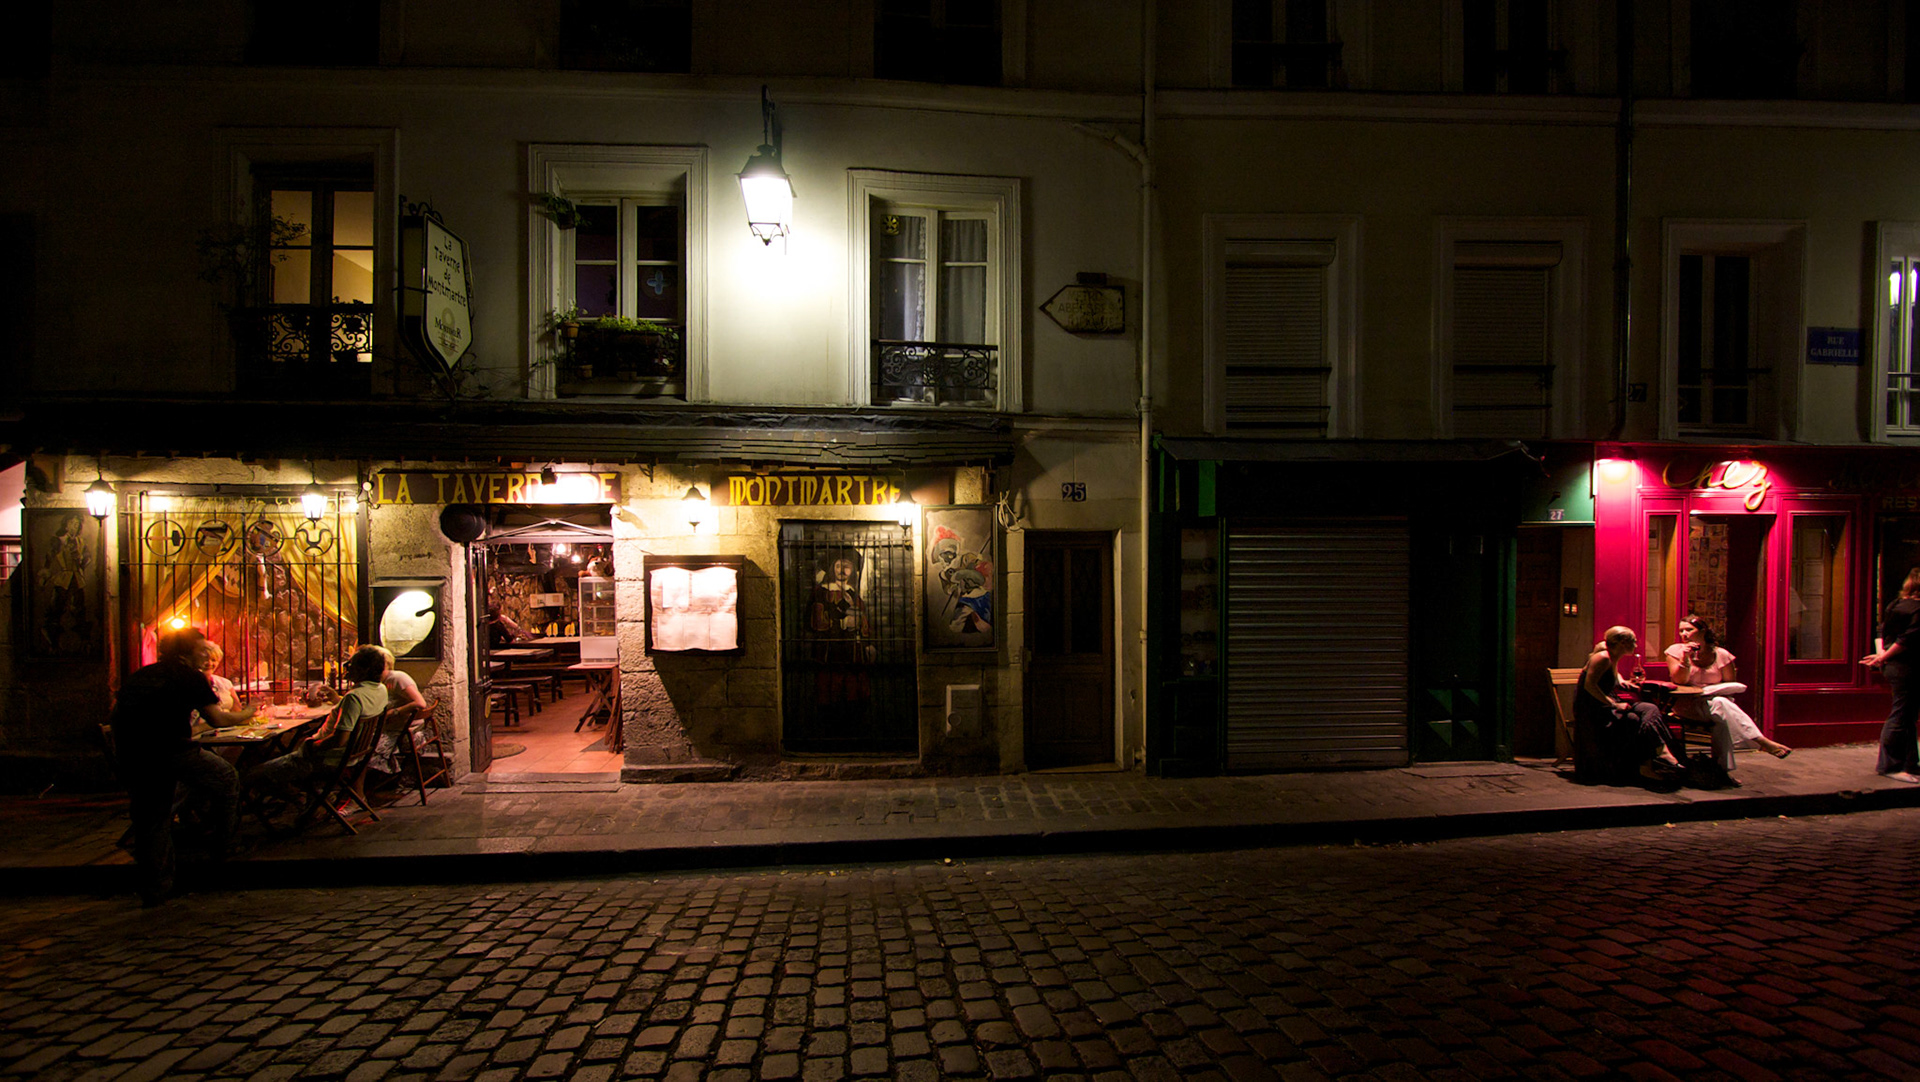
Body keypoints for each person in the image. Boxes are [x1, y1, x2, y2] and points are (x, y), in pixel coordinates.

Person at [109, 626, 256, 906]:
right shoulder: (189, 677)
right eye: (200, 649)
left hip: (135, 754)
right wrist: (248, 712)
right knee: (226, 778)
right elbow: (219, 720)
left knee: (151, 817)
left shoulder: (143, 675)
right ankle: (225, 847)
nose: (205, 655)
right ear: (187, 652)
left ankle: (156, 886)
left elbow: (117, 715)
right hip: (173, 750)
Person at [246, 644, 390, 797]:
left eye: (350, 664)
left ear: (364, 669)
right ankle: (309, 799)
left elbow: (340, 739)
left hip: (327, 760)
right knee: (276, 765)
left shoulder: (354, 698)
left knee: (253, 774)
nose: (346, 667)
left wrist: (312, 746)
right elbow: (359, 711)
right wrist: (337, 700)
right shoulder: (380, 690)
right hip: (354, 756)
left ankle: (300, 799)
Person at [1664, 614, 1790, 782]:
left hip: (1713, 702)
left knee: (1720, 719)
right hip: (1687, 703)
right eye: (1681, 631)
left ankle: (1721, 771)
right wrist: (1685, 659)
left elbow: (1730, 683)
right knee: (1721, 708)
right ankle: (1759, 740)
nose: (1684, 634)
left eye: (1689, 630)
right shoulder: (1675, 651)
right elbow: (1679, 680)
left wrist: (1711, 691)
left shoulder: (1721, 654)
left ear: (1702, 631)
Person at [1574, 626, 1686, 785]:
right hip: (1594, 709)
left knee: (1650, 708)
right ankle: (1648, 763)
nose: (1636, 645)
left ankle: (1661, 752)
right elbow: (1589, 686)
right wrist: (1614, 704)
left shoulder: (1613, 656)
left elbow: (1614, 674)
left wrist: (1623, 683)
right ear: (1621, 643)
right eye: (1632, 641)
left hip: (1608, 704)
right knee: (1633, 719)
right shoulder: (1603, 657)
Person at [1861, 568, 1920, 783]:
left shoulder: (1896, 604)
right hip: (1907, 666)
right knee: (1902, 714)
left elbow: (1884, 631)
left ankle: (1911, 763)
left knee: (1908, 715)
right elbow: (1907, 639)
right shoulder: (1918, 609)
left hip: (1895, 666)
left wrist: (1882, 655)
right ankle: (1890, 766)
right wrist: (1883, 657)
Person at [809, 551, 872, 705]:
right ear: (832, 568)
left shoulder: (854, 595)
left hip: (852, 652)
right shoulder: (821, 593)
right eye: (838, 566)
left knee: (853, 695)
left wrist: (864, 635)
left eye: (847, 567)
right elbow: (816, 621)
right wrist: (842, 624)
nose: (842, 570)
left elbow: (864, 621)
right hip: (829, 650)